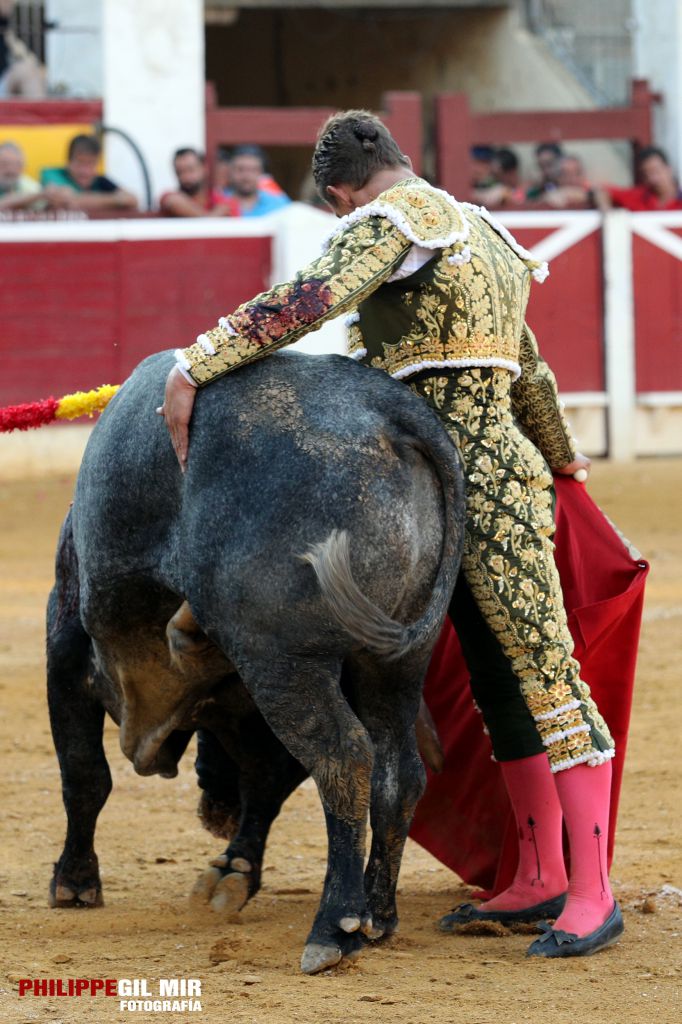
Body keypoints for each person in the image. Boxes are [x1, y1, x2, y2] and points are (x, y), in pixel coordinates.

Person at [160, 110, 622, 959]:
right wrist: (561, 461)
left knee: (548, 681)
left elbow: (310, 299)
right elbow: (531, 369)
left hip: (443, 483)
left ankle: (593, 893)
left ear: (341, 192)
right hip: (487, 479)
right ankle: (540, 876)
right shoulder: (484, 230)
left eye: (338, 209)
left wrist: (197, 362)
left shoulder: (392, 221)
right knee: (500, 680)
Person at [40, 134, 138, 214]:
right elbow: (64, 201)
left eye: (91, 164)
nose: (85, 171)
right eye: (80, 163)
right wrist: (115, 200)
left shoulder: (100, 181)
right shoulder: (52, 174)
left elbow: (132, 200)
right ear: (68, 162)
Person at [159, 147, 239, 218]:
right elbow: (173, 201)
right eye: (180, 172)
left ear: (204, 168)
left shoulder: (221, 201)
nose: (186, 177)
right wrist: (211, 217)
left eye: (191, 170)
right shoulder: (169, 196)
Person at [599, 146, 682, 211]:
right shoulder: (639, 196)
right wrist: (607, 211)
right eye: (646, 174)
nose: (653, 178)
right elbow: (602, 191)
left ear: (669, 169)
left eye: (656, 171)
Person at [222, 144, 291, 217]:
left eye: (253, 170)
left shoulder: (279, 204)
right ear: (230, 172)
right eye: (240, 169)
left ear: (261, 173)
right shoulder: (218, 201)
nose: (246, 176)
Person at [0, 140, 42, 211]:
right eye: (4, 164)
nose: (11, 170)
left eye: (17, 165)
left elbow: (43, 206)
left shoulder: (30, 186)